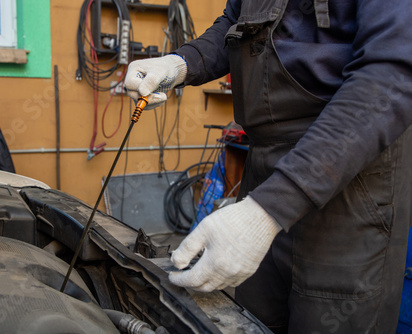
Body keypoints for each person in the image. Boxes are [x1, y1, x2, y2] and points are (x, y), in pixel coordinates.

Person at [125, 0, 412, 333]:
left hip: (348, 179)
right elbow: (236, 23)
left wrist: (269, 210)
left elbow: (391, 76)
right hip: (263, 166)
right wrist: (181, 62)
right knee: (252, 322)